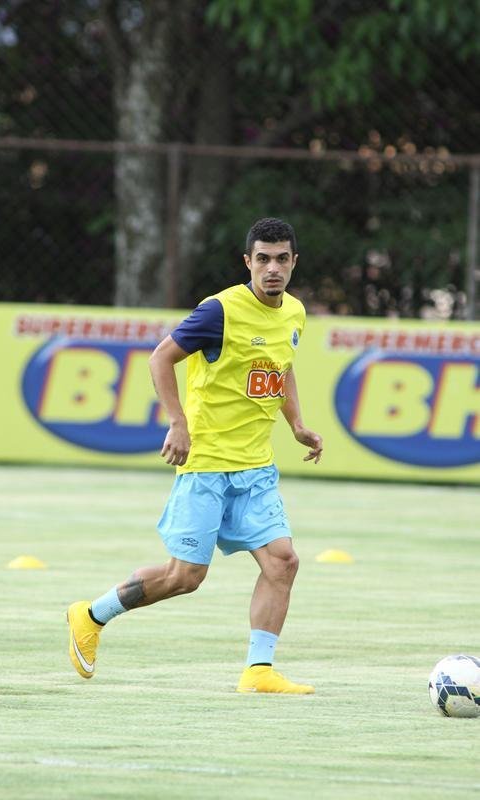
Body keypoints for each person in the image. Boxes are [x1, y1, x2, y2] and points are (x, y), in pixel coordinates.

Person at [67, 217, 323, 694]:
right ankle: (91, 614)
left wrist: (297, 424)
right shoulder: (219, 311)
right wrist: (177, 423)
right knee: (185, 577)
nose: (273, 269)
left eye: (281, 259)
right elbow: (160, 357)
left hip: (255, 469)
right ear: (248, 262)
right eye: (262, 259)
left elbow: (281, 368)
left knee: (283, 561)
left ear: (293, 262)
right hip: (206, 466)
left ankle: (259, 671)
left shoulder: (295, 313)